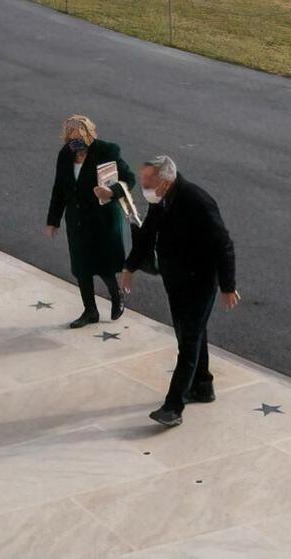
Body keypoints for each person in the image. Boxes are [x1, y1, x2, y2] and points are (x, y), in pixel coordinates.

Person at [119, 155, 239, 427]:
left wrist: (228, 286)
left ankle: (173, 406)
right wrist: (129, 267)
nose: (144, 187)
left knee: (189, 341)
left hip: (200, 281)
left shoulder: (197, 200)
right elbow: (148, 234)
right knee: (189, 334)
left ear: (165, 180)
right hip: (176, 281)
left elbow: (224, 244)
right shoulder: (161, 200)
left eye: (148, 181)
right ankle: (203, 385)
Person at [45, 114, 136, 328]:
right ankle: (90, 310)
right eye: (69, 137)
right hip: (77, 220)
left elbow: (129, 179)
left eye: (77, 136)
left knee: (103, 264)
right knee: (82, 266)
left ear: (89, 134)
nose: (73, 141)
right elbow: (60, 189)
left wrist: (111, 191)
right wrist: (53, 221)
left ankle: (116, 298)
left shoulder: (106, 151)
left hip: (102, 220)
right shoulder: (66, 155)